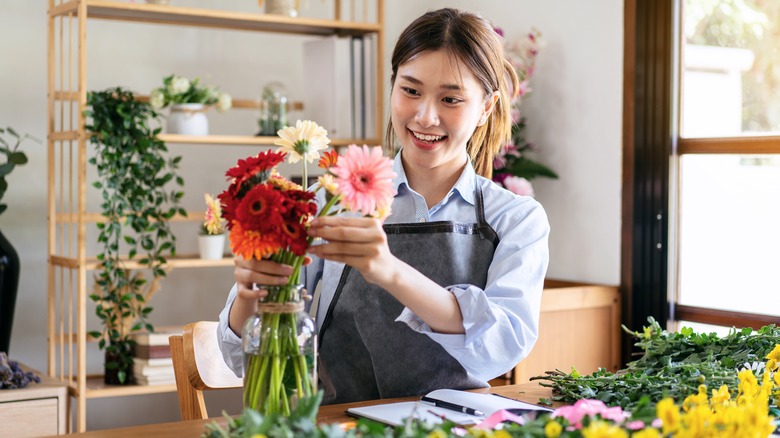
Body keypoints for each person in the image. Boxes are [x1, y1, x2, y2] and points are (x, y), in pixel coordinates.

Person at [218, 7, 550, 405]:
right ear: (392, 87)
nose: (425, 116)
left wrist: (390, 271)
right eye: (410, 90)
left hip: (455, 426)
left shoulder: (515, 219)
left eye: (450, 98)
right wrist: (251, 293)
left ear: (485, 108)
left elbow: (504, 346)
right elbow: (238, 356)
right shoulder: (330, 201)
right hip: (338, 424)